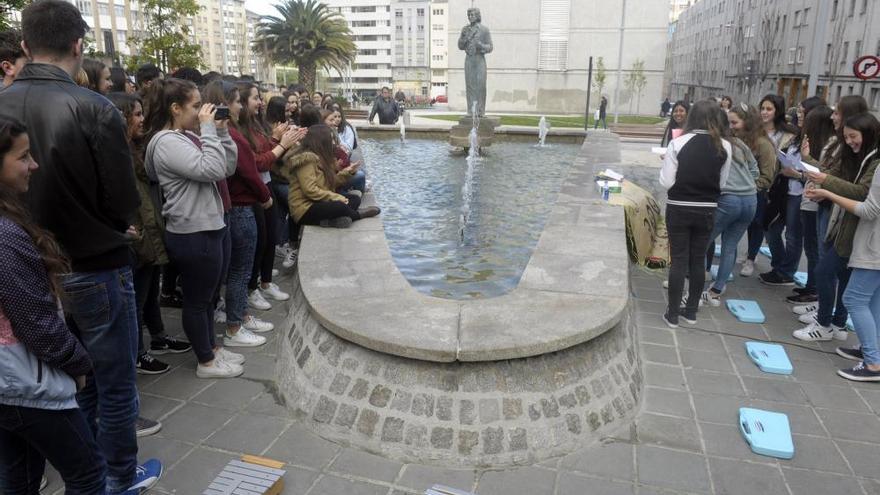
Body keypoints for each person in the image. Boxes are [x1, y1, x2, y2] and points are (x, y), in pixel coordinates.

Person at [0, 1, 163, 492]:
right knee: (112, 385)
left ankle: (87, 467)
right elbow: (122, 199)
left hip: (29, 267)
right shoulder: (95, 108)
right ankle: (115, 476)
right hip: (94, 263)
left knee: (50, 381)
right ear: (79, 45)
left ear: (26, 46)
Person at [0, 116, 108, 495]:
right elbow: (36, 323)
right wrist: (78, 363)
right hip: (25, 384)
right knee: (89, 473)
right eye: (24, 156)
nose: (35, 165)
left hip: (10, 383)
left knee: (20, 476)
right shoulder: (4, 236)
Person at [143, 77, 246, 377]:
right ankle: (205, 361)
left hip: (207, 225)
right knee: (198, 300)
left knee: (208, 297)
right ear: (175, 108)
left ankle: (211, 349)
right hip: (192, 230)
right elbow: (210, 169)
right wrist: (210, 131)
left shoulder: (184, 137)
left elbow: (226, 168)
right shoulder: (166, 143)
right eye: (196, 106)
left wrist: (222, 134)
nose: (202, 112)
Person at [106, 92, 192, 379]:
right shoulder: (116, 154)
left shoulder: (134, 148)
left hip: (149, 228)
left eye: (142, 113)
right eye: (136, 114)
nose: (141, 120)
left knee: (149, 293)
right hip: (137, 233)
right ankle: (139, 354)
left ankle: (158, 337)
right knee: (137, 301)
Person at [805, 116, 880, 381]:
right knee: (872, 301)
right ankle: (871, 353)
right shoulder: (871, 159)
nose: (848, 142)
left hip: (873, 246)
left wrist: (828, 193)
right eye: (845, 137)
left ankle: (873, 364)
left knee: (854, 299)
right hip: (871, 244)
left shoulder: (878, 163)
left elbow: (869, 207)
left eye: (852, 136)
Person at [204, 80, 273, 347]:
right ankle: (235, 325)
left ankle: (240, 315)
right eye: (236, 101)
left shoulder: (224, 133)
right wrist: (265, 198)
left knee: (239, 268)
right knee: (240, 270)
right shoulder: (230, 134)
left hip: (235, 205)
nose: (240, 107)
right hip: (240, 207)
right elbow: (248, 171)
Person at [659, 101, 732, 328]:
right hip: (707, 209)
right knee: (698, 260)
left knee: (679, 260)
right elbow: (722, 182)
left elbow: (667, 181)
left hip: (679, 207)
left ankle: (672, 314)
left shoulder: (678, 143)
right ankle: (691, 312)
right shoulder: (725, 146)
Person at [235, 81, 299, 313]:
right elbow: (257, 161)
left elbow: (264, 152)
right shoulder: (238, 132)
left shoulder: (255, 125)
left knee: (268, 237)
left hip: (265, 185)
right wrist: (281, 144)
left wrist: (275, 139)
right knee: (256, 244)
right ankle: (251, 290)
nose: (260, 102)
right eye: (255, 98)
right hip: (253, 193)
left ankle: (264, 283)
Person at [701, 106, 758, 306]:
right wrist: (746, 184)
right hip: (750, 199)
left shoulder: (715, 145)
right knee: (730, 245)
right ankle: (717, 289)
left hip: (728, 200)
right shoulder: (740, 144)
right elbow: (755, 170)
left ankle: (696, 288)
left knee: (703, 242)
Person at [284, 124, 380, 229]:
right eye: (330, 139)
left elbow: (329, 183)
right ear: (321, 141)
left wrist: (347, 172)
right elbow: (310, 190)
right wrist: (336, 197)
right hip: (305, 208)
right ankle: (357, 215)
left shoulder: (321, 157)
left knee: (355, 199)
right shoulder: (306, 160)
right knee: (340, 206)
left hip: (317, 201)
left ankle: (329, 221)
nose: (333, 143)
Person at [788, 100, 832, 304]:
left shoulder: (824, 149)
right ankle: (812, 287)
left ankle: (815, 292)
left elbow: (821, 176)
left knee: (815, 250)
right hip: (809, 201)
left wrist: (798, 173)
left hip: (815, 204)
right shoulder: (813, 146)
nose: (800, 118)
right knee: (811, 248)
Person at [758, 94, 802, 286]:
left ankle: (785, 271)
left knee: (791, 233)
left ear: (778, 111)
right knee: (769, 227)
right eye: (763, 108)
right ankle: (780, 266)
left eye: (769, 109)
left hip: (786, 188)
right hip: (766, 186)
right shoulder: (756, 131)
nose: (765, 112)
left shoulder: (790, 134)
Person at [265, 96, 298, 268]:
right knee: (296, 204)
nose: (290, 111)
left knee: (280, 213)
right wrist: (286, 142)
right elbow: (273, 156)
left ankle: (280, 243)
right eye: (285, 110)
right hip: (278, 179)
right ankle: (289, 244)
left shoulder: (286, 125)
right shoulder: (271, 129)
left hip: (282, 178)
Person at [458, 7, 493, 116]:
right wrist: (464, 39)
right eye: (469, 15)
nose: (470, 17)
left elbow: (490, 47)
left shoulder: (484, 30)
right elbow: (460, 46)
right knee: (470, 86)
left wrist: (481, 45)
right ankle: (471, 111)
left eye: (472, 15)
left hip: (479, 59)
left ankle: (480, 111)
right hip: (469, 59)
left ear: (477, 16)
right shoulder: (465, 30)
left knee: (481, 86)